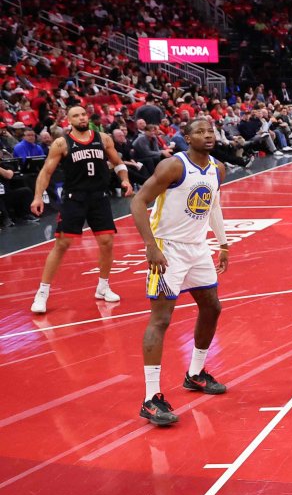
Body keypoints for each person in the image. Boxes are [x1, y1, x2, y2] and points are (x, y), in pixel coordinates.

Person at [129, 119, 231, 427]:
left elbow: (213, 205)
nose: (207, 136)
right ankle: (150, 399)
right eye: (200, 132)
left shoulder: (218, 169)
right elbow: (138, 201)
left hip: (197, 248)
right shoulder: (173, 167)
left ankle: (195, 373)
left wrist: (223, 244)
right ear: (186, 137)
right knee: (161, 319)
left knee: (212, 307)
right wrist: (150, 245)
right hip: (167, 248)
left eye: (210, 131)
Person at [29, 106, 134, 314]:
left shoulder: (103, 138)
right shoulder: (61, 143)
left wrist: (125, 180)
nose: (81, 118)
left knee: (106, 242)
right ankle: (42, 293)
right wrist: (38, 196)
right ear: (69, 120)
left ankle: (103, 287)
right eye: (76, 115)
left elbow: (118, 162)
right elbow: (46, 171)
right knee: (62, 244)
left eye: (83, 114)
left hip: (99, 197)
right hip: (74, 198)